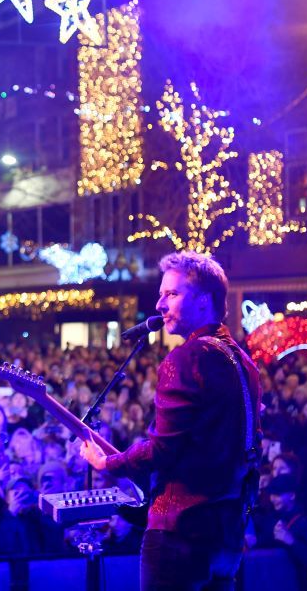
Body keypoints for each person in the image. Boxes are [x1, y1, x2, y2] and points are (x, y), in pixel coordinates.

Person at [80, 251, 261, 590]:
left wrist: (108, 463)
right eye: (161, 294)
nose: (159, 304)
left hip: (180, 532)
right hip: (226, 534)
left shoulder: (188, 357)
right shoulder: (243, 361)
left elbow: (163, 449)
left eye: (172, 294)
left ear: (205, 301)